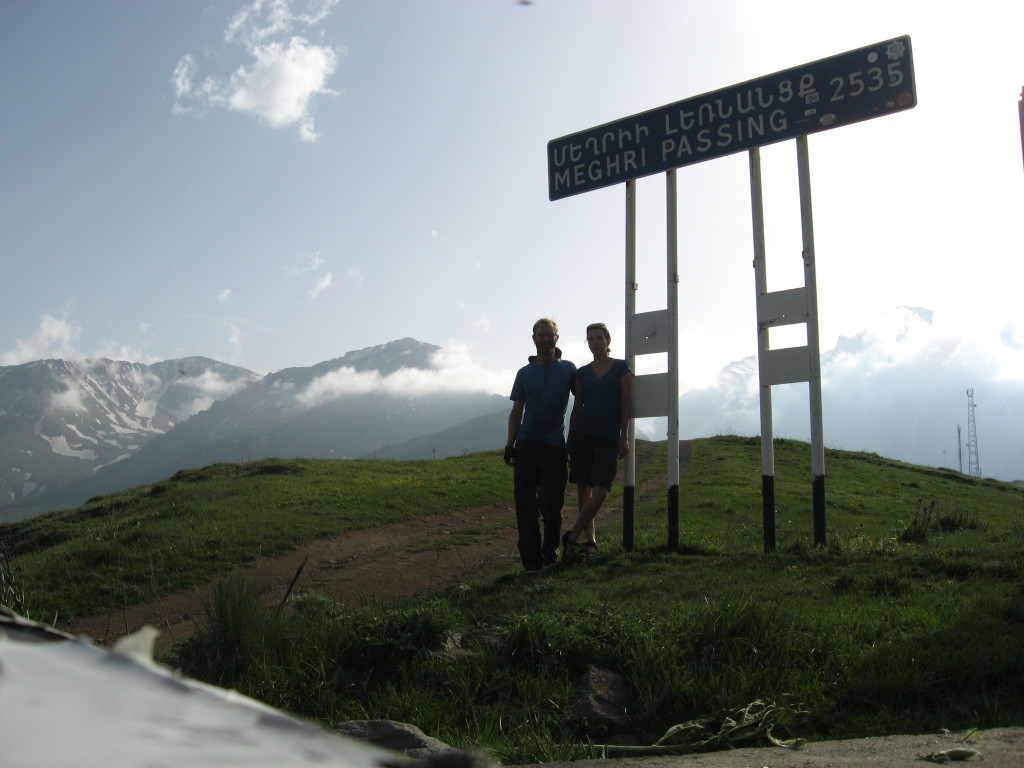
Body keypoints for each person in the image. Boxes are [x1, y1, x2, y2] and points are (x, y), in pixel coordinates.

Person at [504, 318, 577, 573]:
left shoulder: (569, 369)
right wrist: (509, 444)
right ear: (533, 338)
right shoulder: (523, 373)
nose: (545, 339)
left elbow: (583, 400)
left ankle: (550, 554)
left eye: (550, 334)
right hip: (526, 445)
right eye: (541, 335)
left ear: (557, 338)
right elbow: (516, 411)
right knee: (524, 505)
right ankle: (531, 562)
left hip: (555, 447)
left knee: (551, 505)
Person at [562, 322, 632, 563]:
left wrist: (624, 436)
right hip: (582, 434)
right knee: (584, 488)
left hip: (607, 436)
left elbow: (625, 405)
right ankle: (590, 541)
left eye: (599, 338)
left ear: (608, 340)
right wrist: (570, 438)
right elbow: (577, 407)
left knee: (601, 489)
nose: (595, 342)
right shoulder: (581, 373)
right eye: (590, 339)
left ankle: (571, 536)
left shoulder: (621, 368)